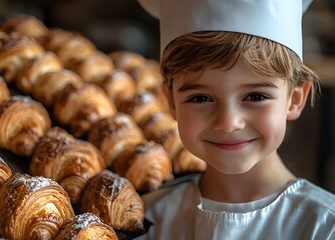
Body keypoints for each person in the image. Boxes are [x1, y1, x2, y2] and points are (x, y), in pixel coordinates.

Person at [135, 0, 335, 239]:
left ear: (294, 99)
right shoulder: (145, 221)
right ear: (171, 102)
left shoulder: (323, 227)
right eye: (200, 98)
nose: (228, 123)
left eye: (256, 96)